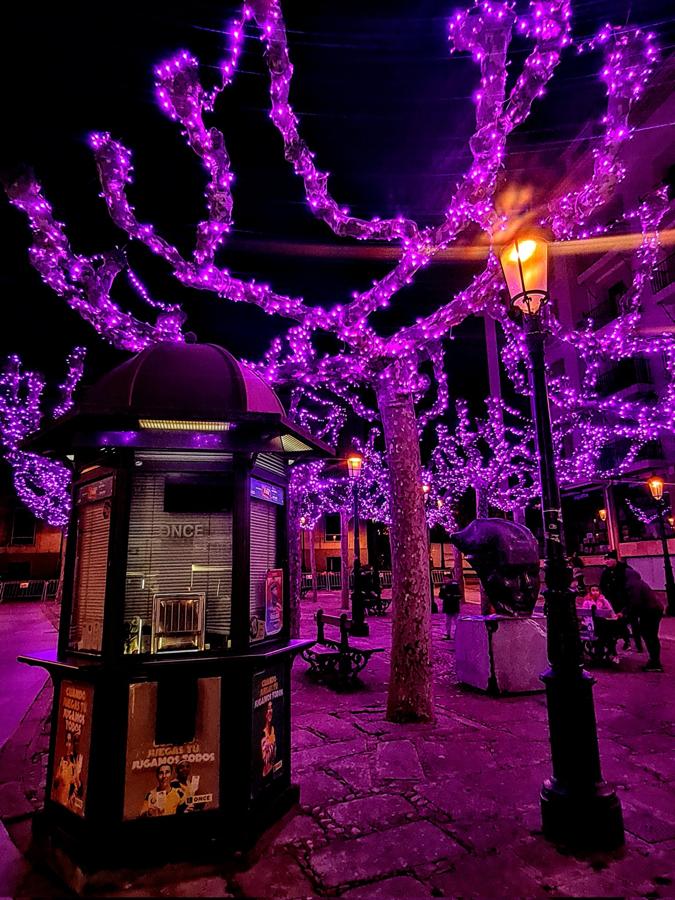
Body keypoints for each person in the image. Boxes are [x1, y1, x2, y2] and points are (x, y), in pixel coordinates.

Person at [601, 551, 665, 671]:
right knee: (648, 634)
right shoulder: (632, 580)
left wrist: (623, 613)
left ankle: (655, 663)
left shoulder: (631, 583)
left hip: (650, 610)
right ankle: (654, 661)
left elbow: (634, 601)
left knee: (649, 635)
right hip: (650, 609)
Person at [600, 550, 643, 651]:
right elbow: (602, 585)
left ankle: (638, 644)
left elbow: (635, 580)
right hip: (615, 600)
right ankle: (627, 641)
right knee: (620, 622)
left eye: (609, 559)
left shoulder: (624, 569)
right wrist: (607, 596)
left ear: (615, 560)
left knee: (634, 621)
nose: (607, 562)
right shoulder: (606, 572)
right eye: (605, 560)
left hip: (628, 599)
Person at [261, 701, 277, 777]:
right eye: (268, 709)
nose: (270, 712)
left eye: (271, 709)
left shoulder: (273, 731)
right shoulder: (263, 737)